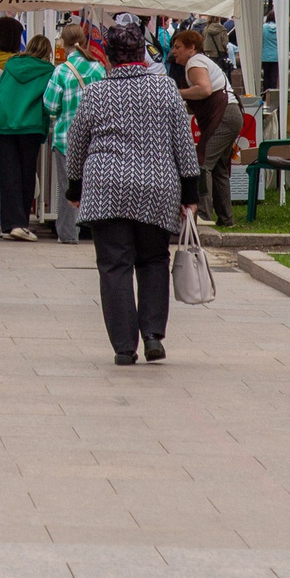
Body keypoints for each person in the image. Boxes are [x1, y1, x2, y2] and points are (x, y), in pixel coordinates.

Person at [66, 21, 204, 365]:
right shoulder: (166, 89)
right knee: (154, 260)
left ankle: (124, 347)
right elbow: (183, 146)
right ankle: (153, 334)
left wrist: (74, 187)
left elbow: (76, 144)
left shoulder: (96, 93)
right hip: (157, 186)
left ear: (108, 57)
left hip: (105, 187)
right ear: (142, 53)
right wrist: (190, 193)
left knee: (114, 266)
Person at [172, 27, 239, 230]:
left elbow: (205, 89)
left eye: (178, 47)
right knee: (218, 168)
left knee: (202, 161)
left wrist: (177, 92)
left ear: (192, 48)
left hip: (225, 115)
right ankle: (226, 218)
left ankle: (202, 215)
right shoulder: (200, 61)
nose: (174, 51)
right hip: (232, 114)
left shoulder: (195, 62)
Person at [44, 24, 102, 244]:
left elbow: (50, 105)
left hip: (65, 138)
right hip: (94, 138)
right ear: (84, 41)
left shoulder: (61, 70)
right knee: (94, 187)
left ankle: (68, 234)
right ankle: (96, 232)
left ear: (63, 43)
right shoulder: (98, 68)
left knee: (67, 187)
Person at [0, 35, 53, 240]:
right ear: (47, 52)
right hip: (31, 126)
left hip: (5, 124)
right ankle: (21, 222)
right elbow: (47, 103)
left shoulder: (11, 65)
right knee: (26, 175)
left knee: (8, 176)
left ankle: (9, 224)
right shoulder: (48, 71)